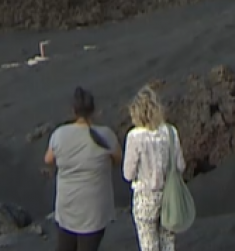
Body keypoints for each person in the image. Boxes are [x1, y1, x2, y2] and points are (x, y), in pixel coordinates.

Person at [44, 86, 121, 251]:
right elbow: (117, 159)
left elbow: (48, 159)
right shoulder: (106, 135)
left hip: (68, 207)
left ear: (73, 110)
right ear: (94, 110)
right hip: (95, 209)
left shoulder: (59, 134)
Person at [122, 85, 187, 251]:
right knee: (168, 242)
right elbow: (181, 165)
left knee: (148, 245)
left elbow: (128, 174)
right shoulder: (171, 132)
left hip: (145, 197)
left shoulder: (135, 136)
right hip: (169, 194)